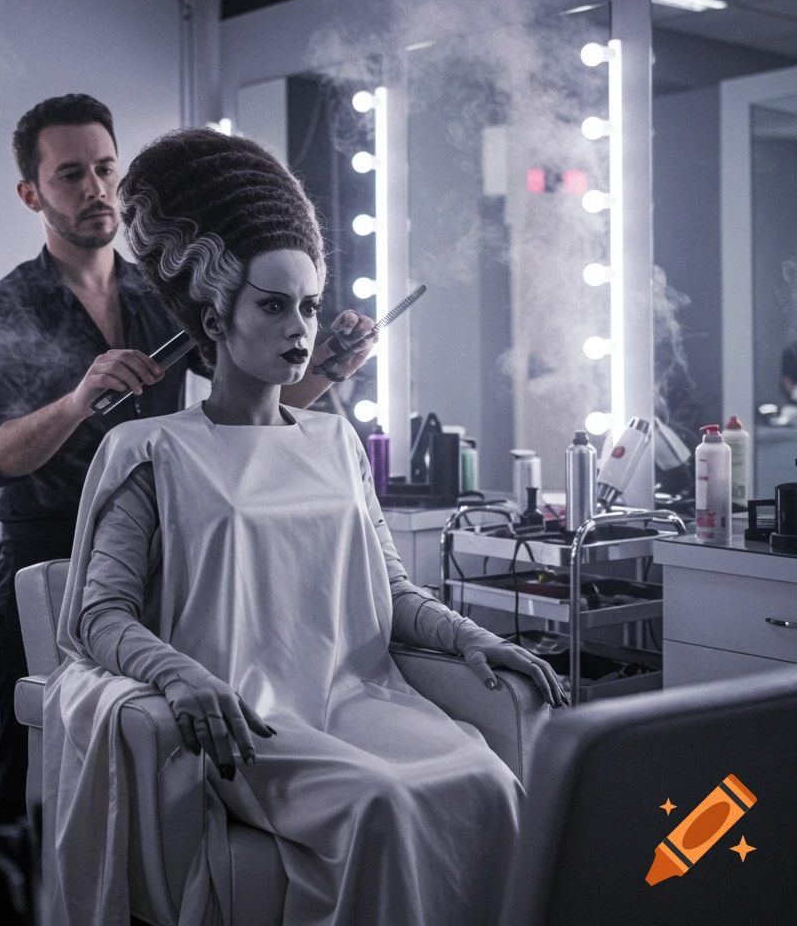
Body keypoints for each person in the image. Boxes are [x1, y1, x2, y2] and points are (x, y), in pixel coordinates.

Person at [44, 128, 567, 926]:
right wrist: (184, 676)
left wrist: (468, 638)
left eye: (311, 306)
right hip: (247, 718)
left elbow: (387, 587)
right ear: (216, 317)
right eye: (274, 305)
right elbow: (96, 615)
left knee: (489, 781)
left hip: (358, 696)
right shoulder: (150, 450)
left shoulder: (333, 439)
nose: (301, 328)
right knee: (382, 801)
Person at [0, 95, 375, 920]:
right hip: (54, 565)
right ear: (32, 193)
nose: (96, 187)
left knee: (180, 780)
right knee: (26, 783)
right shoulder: (2, 305)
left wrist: (323, 371)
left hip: (173, 565)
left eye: (106, 167)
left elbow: (235, 424)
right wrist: (78, 402)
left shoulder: (164, 291)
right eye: (69, 174)